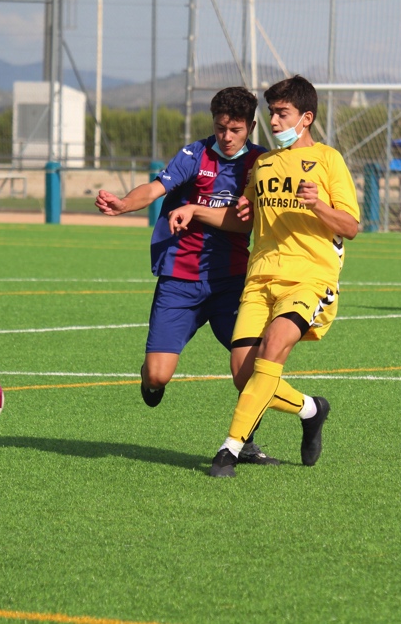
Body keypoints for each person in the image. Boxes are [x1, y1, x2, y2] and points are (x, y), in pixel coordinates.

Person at [184, 75, 360, 478]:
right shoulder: (262, 164)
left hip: (309, 278)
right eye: (273, 113)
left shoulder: (329, 160)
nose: (275, 122)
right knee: (244, 374)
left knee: (275, 346)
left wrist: (317, 205)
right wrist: (213, 211)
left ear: (306, 117)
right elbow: (244, 216)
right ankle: (311, 409)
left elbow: (349, 226)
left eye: (283, 114)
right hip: (260, 278)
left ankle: (229, 449)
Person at [94, 86, 277, 466]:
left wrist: (197, 209)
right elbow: (156, 188)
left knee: (248, 369)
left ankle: (246, 442)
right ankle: (148, 376)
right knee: (159, 376)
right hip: (180, 278)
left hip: (231, 281)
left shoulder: (262, 164)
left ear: (251, 127)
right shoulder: (194, 154)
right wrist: (125, 203)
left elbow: (245, 226)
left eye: (236, 130)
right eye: (221, 127)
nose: (226, 136)